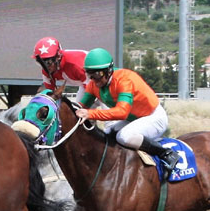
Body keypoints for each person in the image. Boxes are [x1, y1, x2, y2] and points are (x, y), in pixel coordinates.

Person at [76, 47, 180, 175]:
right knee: (107, 134)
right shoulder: (93, 85)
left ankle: (166, 153)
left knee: (124, 136)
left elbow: (122, 112)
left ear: (109, 71)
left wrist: (90, 113)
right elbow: (79, 107)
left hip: (154, 117)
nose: (94, 80)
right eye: (90, 75)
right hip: (135, 119)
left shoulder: (124, 79)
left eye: (97, 75)